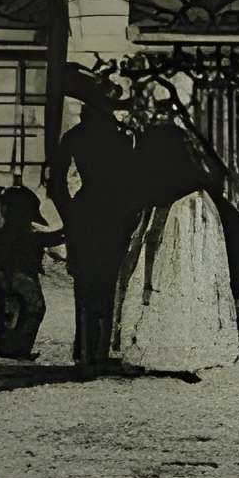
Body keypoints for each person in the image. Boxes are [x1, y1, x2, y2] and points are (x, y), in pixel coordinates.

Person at [110, 73, 239, 379]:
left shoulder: (159, 138)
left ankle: (170, 348)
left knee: (172, 278)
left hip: (177, 212)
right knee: (185, 278)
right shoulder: (185, 138)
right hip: (189, 210)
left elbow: (145, 180)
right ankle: (180, 347)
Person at [49, 70, 140, 373]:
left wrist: (70, 215)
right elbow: (133, 183)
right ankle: (99, 350)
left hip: (85, 213)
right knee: (107, 282)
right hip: (115, 214)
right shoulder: (123, 137)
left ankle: (85, 350)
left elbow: (57, 187)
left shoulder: (74, 137)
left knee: (84, 284)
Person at [0, 182, 66, 362]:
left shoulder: (3, 232)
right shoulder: (30, 232)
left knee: (6, 313)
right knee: (34, 309)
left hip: (3, 276)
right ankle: (21, 349)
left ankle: (4, 347)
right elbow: (53, 238)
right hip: (24, 276)